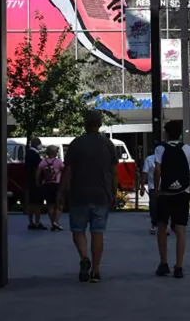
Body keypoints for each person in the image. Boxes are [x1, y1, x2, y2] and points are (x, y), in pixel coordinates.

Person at [58, 110, 117, 283]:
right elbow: (114, 172)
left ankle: (84, 258)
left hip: (79, 194)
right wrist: (113, 192)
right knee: (97, 232)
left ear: (84, 123)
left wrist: (61, 192)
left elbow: (68, 171)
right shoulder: (108, 144)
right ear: (100, 124)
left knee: (78, 230)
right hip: (101, 194)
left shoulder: (76, 143)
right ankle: (96, 271)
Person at [154, 120, 190, 278]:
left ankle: (163, 263)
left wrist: (157, 188)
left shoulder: (160, 149)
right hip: (181, 193)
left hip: (165, 194)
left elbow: (157, 169)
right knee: (180, 230)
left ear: (166, 133)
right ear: (180, 134)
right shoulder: (186, 149)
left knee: (162, 227)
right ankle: (179, 266)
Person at [38, 145, 65, 231]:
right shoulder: (58, 162)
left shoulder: (43, 162)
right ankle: (56, 222)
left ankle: (52, 223)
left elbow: (38, 173)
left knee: (50, 205)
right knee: (59, 204)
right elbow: (64, 171)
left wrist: (38, 183)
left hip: (47, 185)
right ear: (54, 153)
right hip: (57, 185)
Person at [25, 136, 45, 230]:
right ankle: (37, 222)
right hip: (36, 182)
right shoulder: (35, 155)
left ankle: (31, 221)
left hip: (30, 181)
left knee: (31, 202)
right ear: (37, 144)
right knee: (37, 203)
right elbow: (37, 169)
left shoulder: (28, 154)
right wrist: (38, 181)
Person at [141, 145, 161, 233]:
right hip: (152, 186)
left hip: (164, 186)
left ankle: (164, 224)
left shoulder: (166, 158)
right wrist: (142, 186)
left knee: (164, 206)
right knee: (153, 205)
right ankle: (154, 224)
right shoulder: (149, 159)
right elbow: (144, 172)